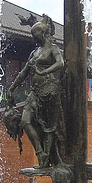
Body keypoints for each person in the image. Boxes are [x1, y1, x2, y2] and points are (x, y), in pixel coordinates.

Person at [7, 15, 65, 169]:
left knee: (49, 127)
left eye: (35, 35)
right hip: (35, 92)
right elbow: (23, 73)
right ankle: (40, 153)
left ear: (44, 34)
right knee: (25, 121)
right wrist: (11, 88)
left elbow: (60, 63)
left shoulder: (53, 49)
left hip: (50, 91)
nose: (34, 39)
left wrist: (43, 72)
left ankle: (45, 159)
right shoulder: (34, 52)